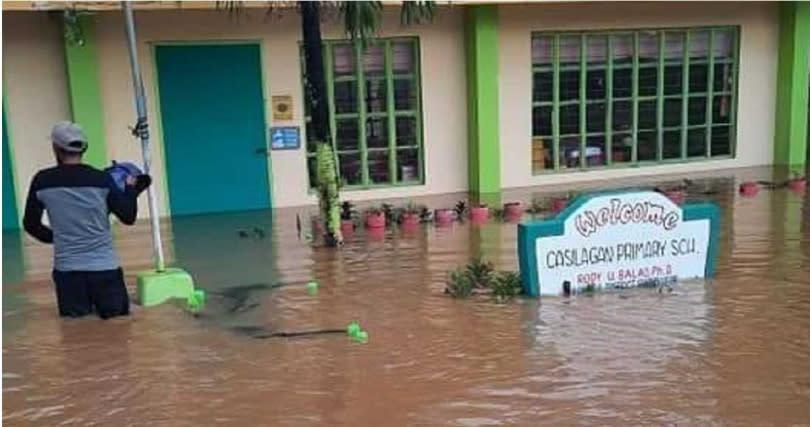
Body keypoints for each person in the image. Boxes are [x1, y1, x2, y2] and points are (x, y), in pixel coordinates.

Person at [23, 121, 151, 319]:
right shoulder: (101, 179)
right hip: (105, 271)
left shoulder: (42, 181)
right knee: (119, 330)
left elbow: (31, 225)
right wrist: (131, 188)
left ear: (55, 148)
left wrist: (59, 238)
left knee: (75, 333)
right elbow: (128, 217)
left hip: (67, 273)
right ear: (84, 148)